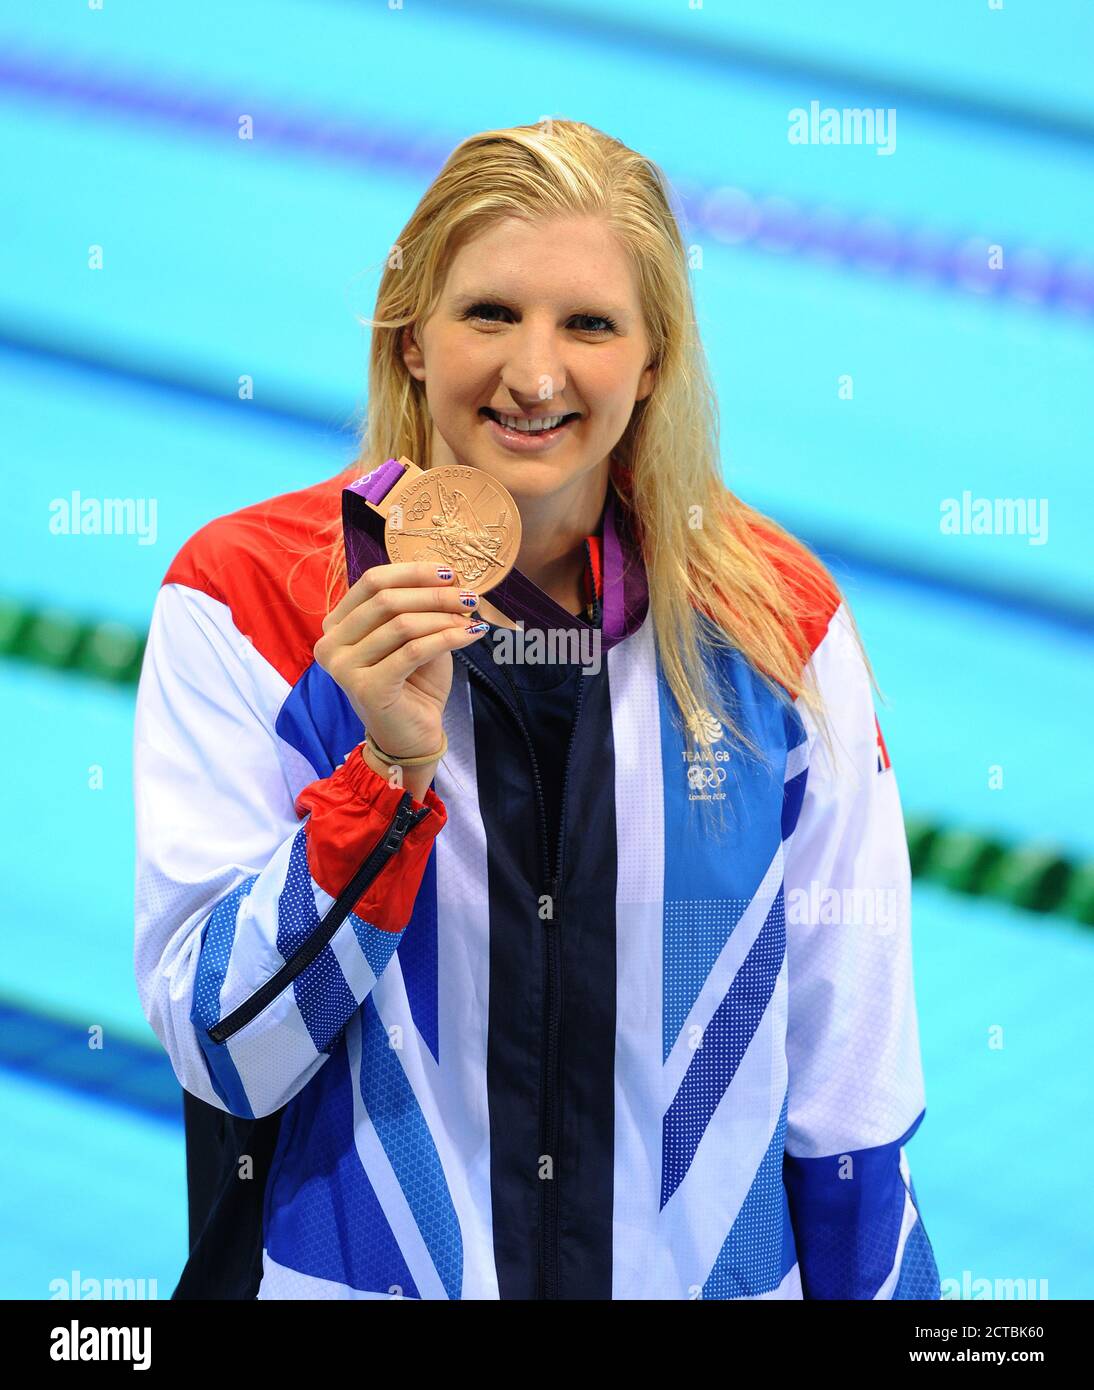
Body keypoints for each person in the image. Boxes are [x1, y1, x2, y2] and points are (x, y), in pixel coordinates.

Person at [133, 119, 941, 1300]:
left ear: (654, 358)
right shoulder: (248, 602)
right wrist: (381, 786)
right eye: (490, 314)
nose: (535, 374)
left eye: (590, 324)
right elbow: (224, 1050)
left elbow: (849, 1102)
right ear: (411, 338)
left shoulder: (777, 631)